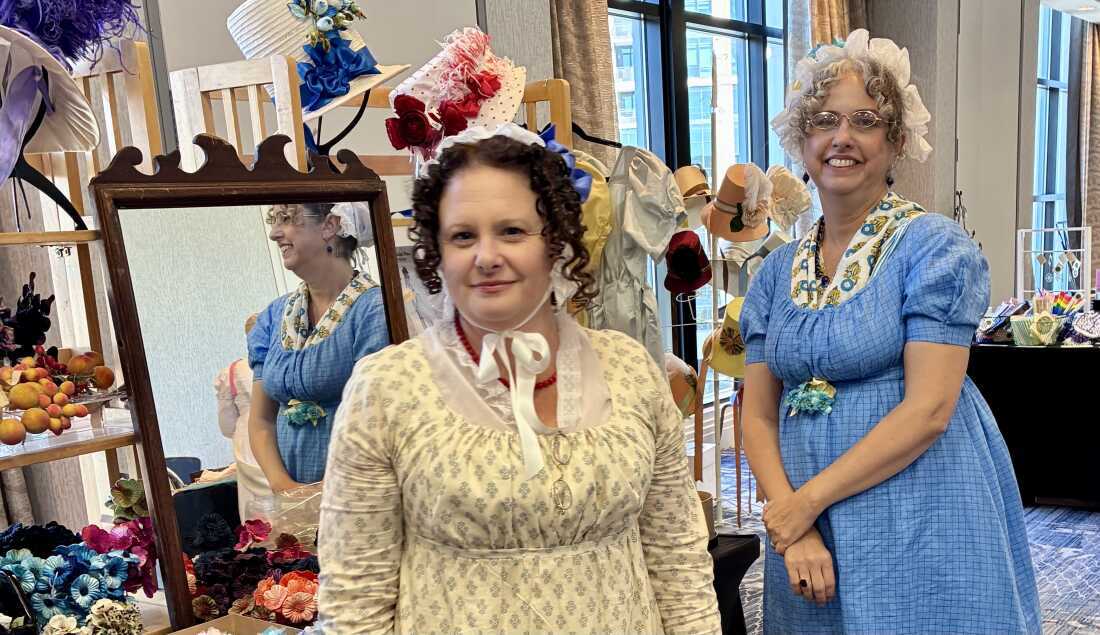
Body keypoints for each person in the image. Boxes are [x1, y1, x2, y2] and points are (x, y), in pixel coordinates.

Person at [317, 123, 721, 635]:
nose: (487, 257)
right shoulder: (387, 389)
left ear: (556, 242)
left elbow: (677, 557)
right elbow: (355, 598)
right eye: (463, 236)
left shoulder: (631, 371)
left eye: (512, 231)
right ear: (437, 252)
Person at [741, 30, 1041, 634]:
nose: (841, 138)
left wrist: (806, 503)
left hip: (919, 504)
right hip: (805, 522)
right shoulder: (775, 271)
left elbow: (930, 409)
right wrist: (791, 521)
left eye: (865, 120)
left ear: (897, 140)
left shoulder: (934, 249)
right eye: (824, 120)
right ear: (802, 140)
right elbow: (758, 414)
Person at [247, 201, 390, 491]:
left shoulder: (375, 310)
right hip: (289, 500)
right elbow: (261, 419)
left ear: (330, 226)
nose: (275, 233)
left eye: (286, 218)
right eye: (273, 220)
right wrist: (284, 487)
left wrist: (327, 494)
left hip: (360, 496)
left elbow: (380, 424)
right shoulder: (275, 316)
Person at [212, 313, 269, 521]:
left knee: (257, 510)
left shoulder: (232, 372)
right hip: (286, 430)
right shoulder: (287, 363)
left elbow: (226, 426)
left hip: (248, 438)